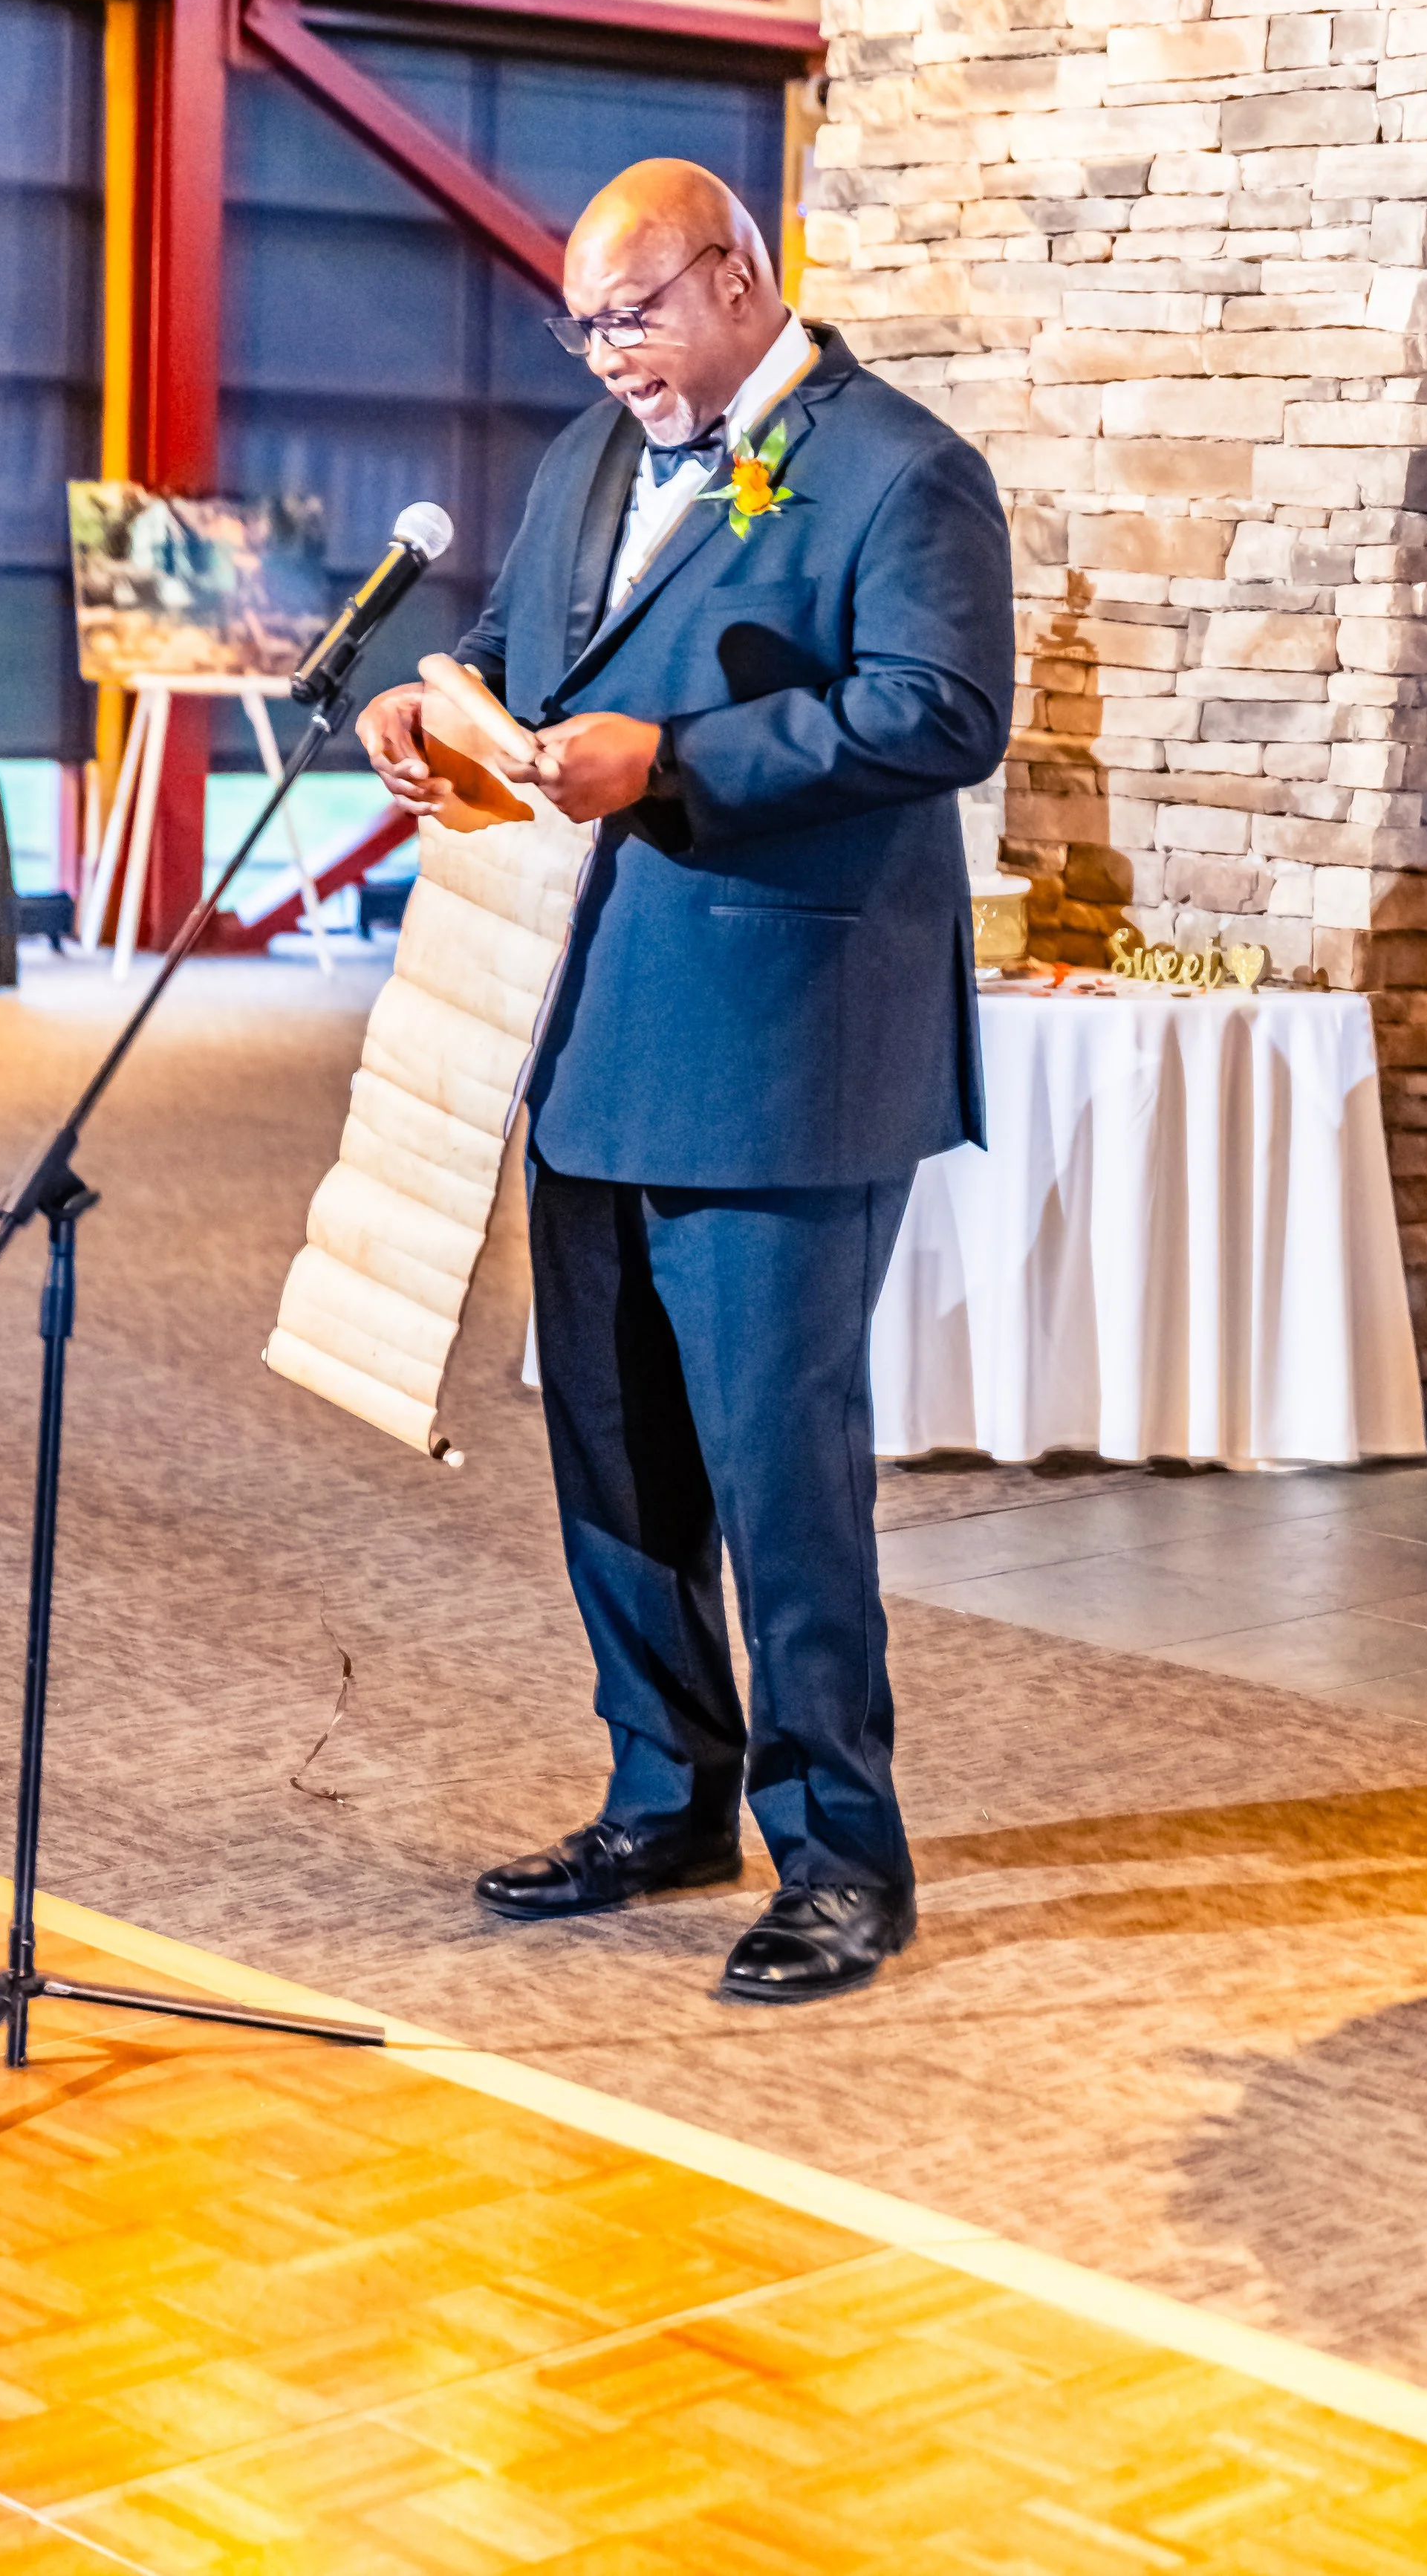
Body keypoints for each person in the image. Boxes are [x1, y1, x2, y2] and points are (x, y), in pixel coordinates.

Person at [357, 157, 1013, 2003]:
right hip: (586, 1034)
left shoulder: (898, 467)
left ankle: (840, 1860)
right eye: (582, 326)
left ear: (736, 277)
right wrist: (433, 700)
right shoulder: (586, 458)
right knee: (617, 1458)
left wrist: (677, 759)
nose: (606, 358)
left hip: (788, 1057)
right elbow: (520, 653)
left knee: (774, 1471)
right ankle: (664, 1793)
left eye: (631, 316)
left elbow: (940, 713)